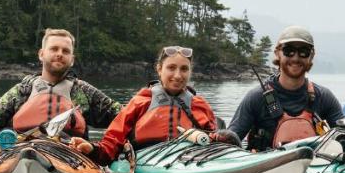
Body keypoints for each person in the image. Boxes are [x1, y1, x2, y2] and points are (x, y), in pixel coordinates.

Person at [0, 29, 123, 154]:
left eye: (66, 51)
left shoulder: (84, 91)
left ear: (72, 59)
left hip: (72, 157)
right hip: (19, 154)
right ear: (41, 54)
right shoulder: (22, 90)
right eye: (54, 49)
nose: (59, 54)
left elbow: (123, 116)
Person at [92, 46, 237, 164]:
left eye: (184, 69)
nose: (178, 75)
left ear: (190, 72)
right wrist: (93, 150)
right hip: (143, 162)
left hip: (188, 162)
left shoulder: (199, 105)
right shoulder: (141, 101)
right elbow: (112, 140)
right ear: (159, 69)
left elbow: (213, 143)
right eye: (171, 68)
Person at [228, 26, 344, 150]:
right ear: (277, 53)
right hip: (267, 168)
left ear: (311, 55)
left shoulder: (324, 97)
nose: (295, 58)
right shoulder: (256, 98)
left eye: (303, 51)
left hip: (317, 167)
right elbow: (229, 141)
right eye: (289, 50)